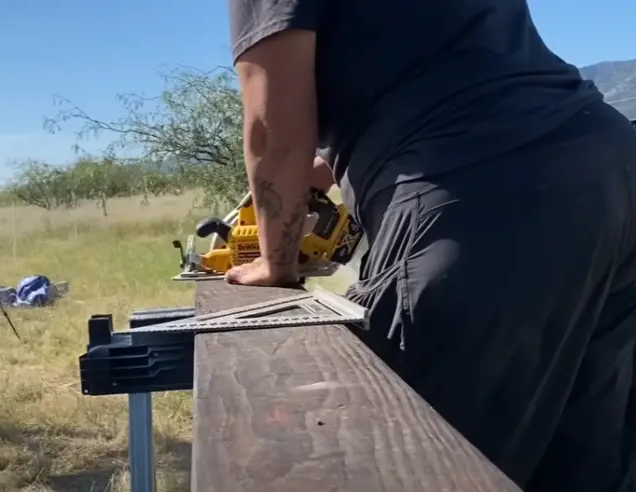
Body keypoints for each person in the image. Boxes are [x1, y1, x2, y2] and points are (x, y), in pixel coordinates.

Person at [222, 0, 636, 490]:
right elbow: (451, 73)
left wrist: (275, 261)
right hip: (609, 169)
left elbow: (274, 132)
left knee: (416, 463)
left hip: (480, 195)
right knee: (584, 465)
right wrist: (342, 164)